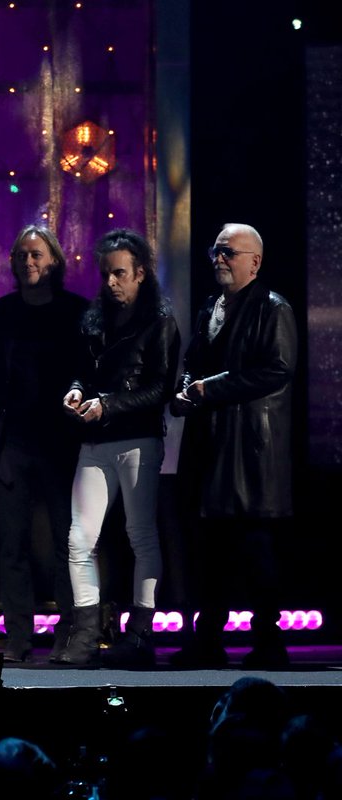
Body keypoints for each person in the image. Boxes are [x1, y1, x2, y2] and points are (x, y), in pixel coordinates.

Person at [170, 223, 297, 669]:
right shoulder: (212, 306)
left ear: (254, 262)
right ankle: (208, 640)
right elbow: (194, 361)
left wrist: (211, 388)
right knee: (211, 552)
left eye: (229, 252)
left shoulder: (273, 308)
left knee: (256, 551)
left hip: (251, 451)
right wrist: (186, 390)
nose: (219, 259)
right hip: (212, 448)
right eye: (216, 251)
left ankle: (269, 643)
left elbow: (277, 368)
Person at [58, 228, 180, 667]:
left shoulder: (159, 322)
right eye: (106, 274)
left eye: (120, 274)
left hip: (137, 441)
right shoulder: (96, 321)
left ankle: (141, 633)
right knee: (79, 539)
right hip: (96, 440)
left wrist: (107, 405)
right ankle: (86, 632)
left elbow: (160, 389)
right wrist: (76, 390)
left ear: (140, 273)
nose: (111, 282)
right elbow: (82, 371)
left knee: (140, 534)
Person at [0, 225, 88, 663]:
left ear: (54, 260)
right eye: (22, 255)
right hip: (13, 442)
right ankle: (18, 636)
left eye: (36, 254)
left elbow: (85, 369)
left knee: (65, 542)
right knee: (13, 544)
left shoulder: (75, 311)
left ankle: (69, 631)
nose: (28, 261)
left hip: (61, 442)